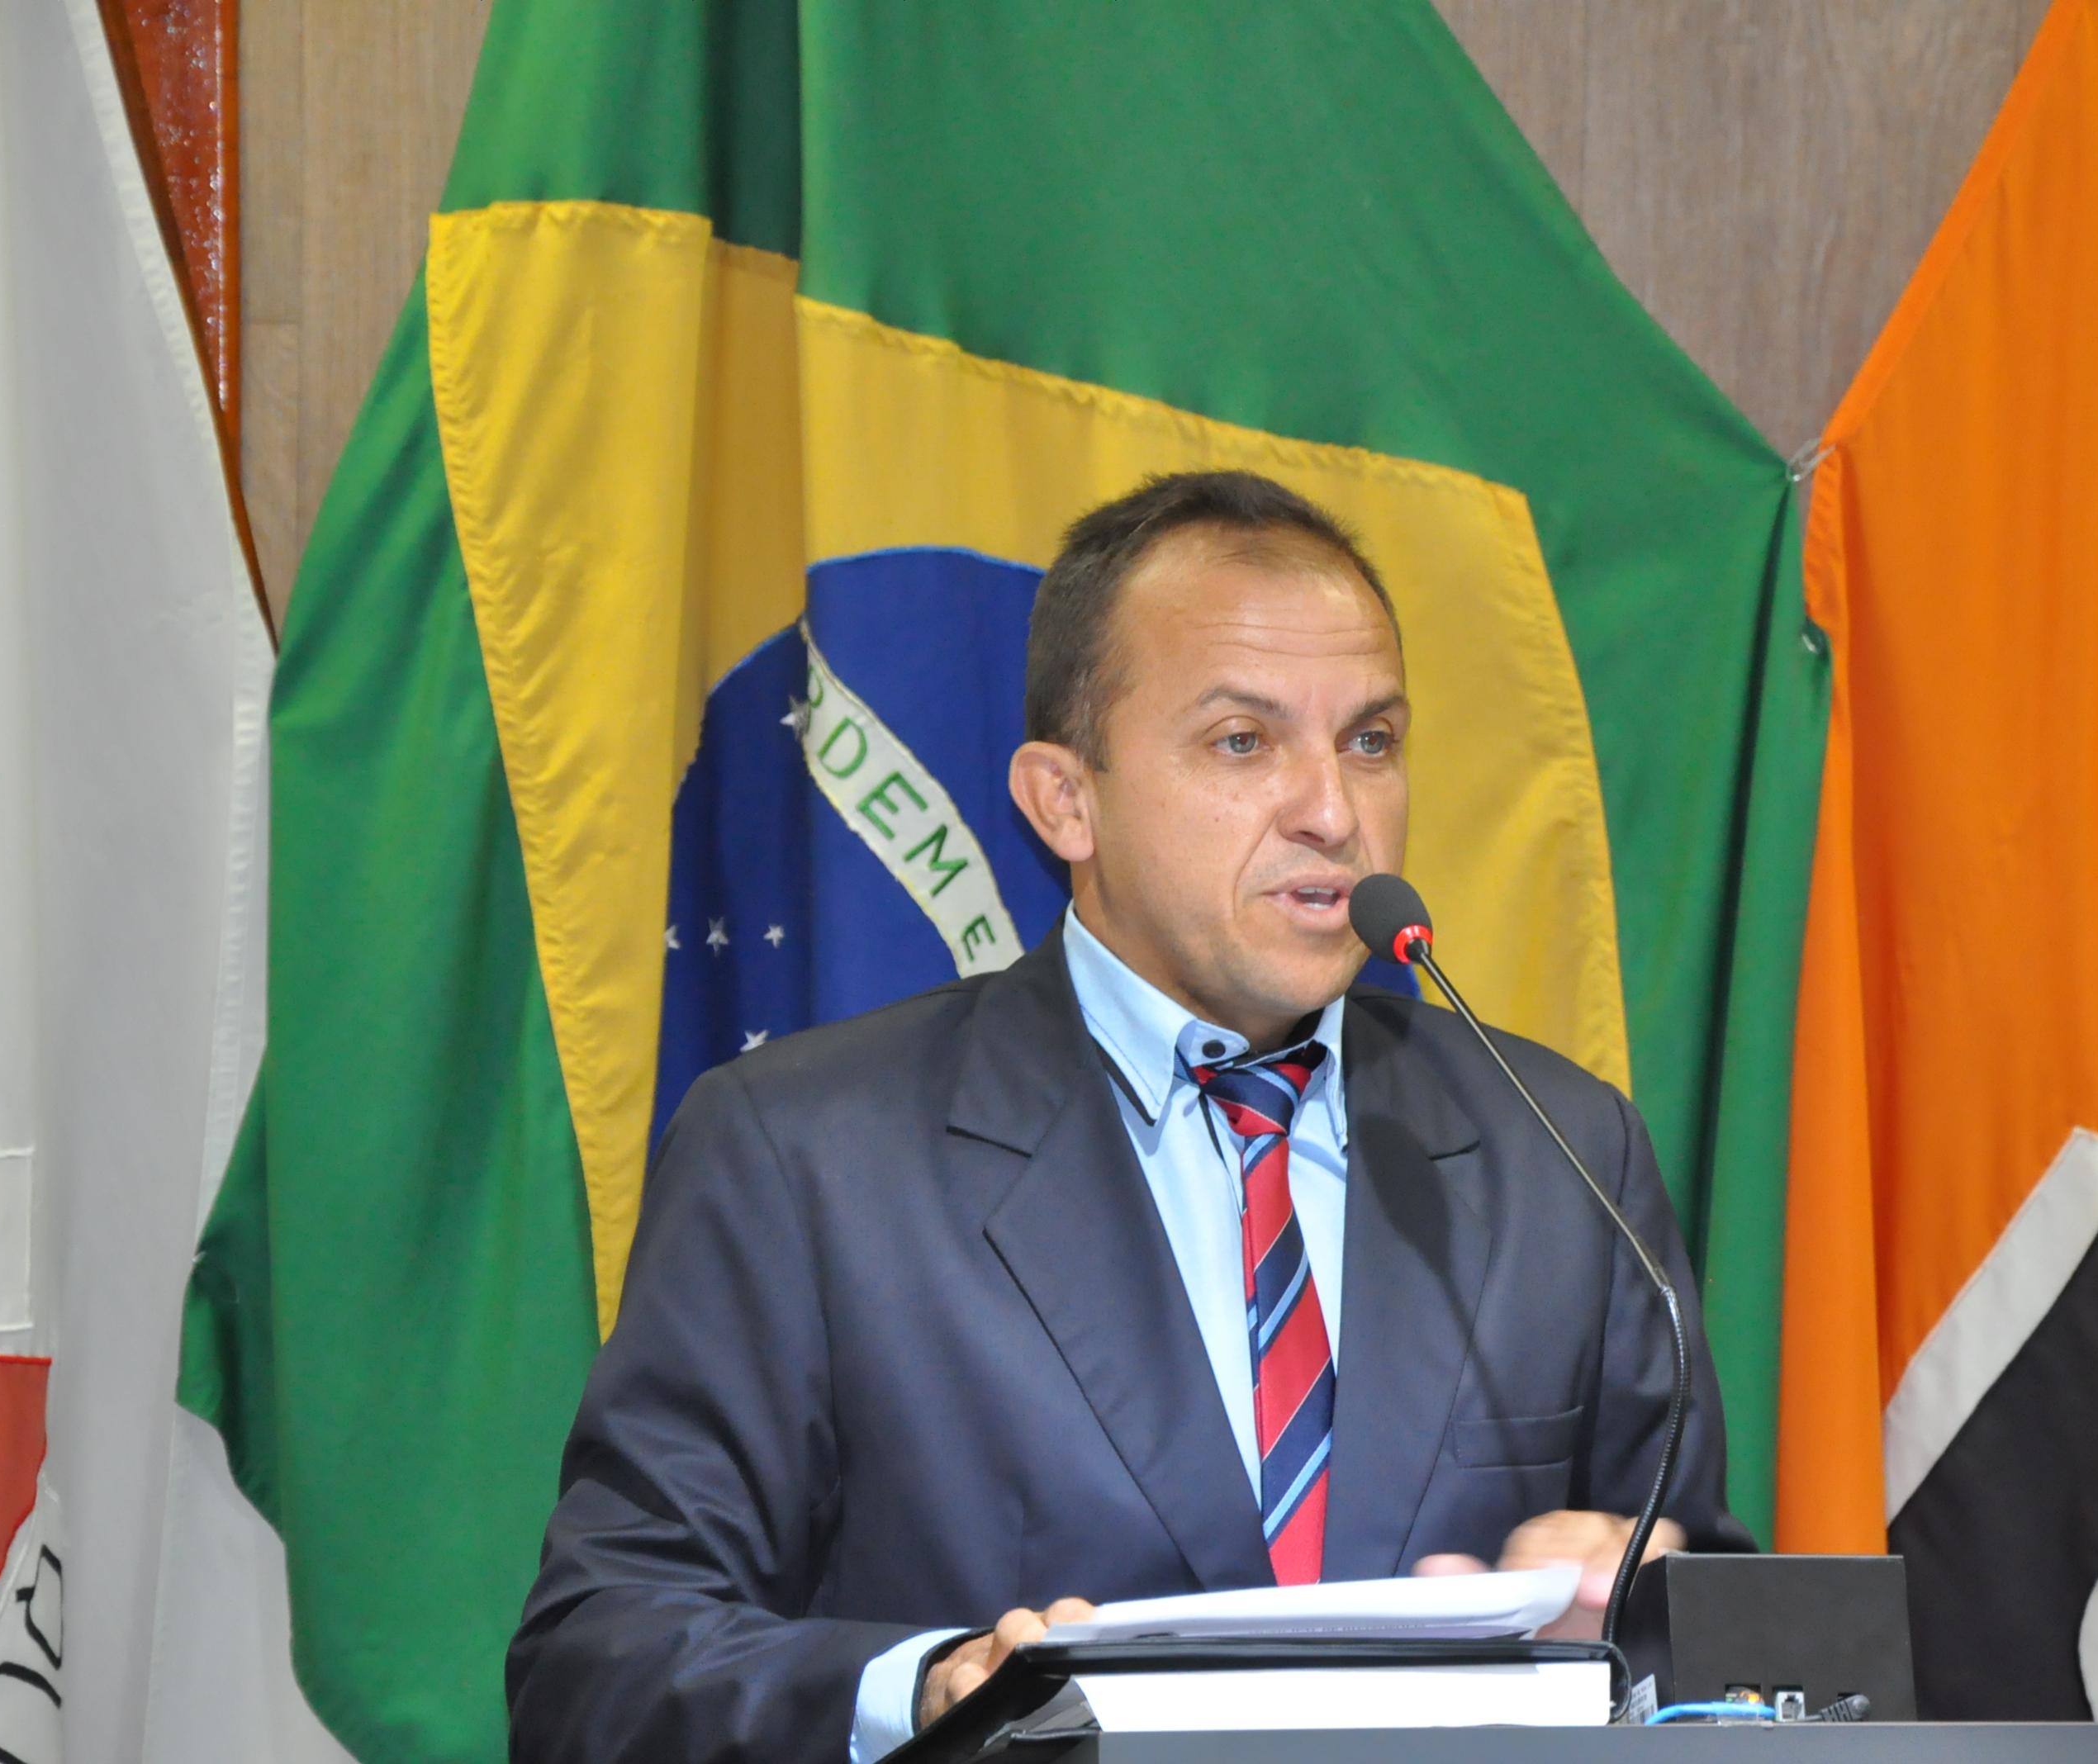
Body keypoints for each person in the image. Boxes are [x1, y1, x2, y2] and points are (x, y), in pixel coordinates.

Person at [506, 472, 1750, 1763]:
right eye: (1243, 742)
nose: (1334, 812)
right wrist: (929, 1691)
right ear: (1066, 800)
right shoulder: (803, 1156)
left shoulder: (1558, 1150)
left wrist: (1636, 1612)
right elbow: (599, 1662)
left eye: (1371, 741)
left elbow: (1732, 1656)